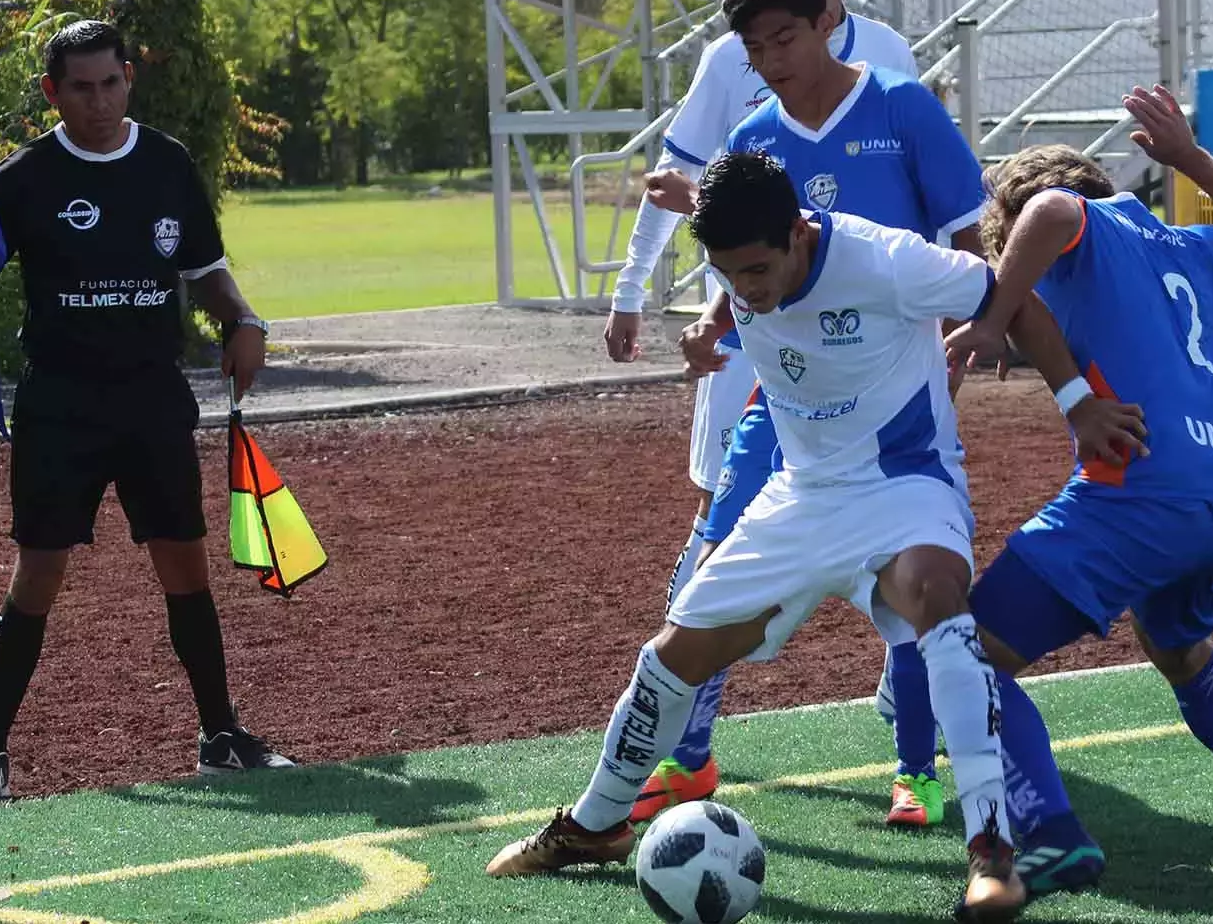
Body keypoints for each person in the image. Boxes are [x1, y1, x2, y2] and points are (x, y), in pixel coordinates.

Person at [487, 151, 1147, 923]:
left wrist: (1076, 402)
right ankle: (594, 827)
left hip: (904, 487)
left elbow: (1011, 296)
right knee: (672, 657)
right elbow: (741, 284)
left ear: (801, 232)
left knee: (942, 604)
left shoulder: (887, 260)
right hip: (798, 497)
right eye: (727, 275)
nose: (746, 288)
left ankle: (992, 852)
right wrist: (711, 323)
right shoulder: (746, 256)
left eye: (758, 269)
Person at [942, 86, 1213, 899]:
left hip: (1139, 490)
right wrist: (1188, 157)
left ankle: (1051, 834)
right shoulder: (1187, 246)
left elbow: (1047, 211)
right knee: (1181, 651)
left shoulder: (1075, 227)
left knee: (967, 655)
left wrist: (993, 312)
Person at [598, 0, 928, 826]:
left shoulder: (891, 69)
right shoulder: (732, 68)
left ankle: (918, 740)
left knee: (898, 555)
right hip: (755, 349)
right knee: (715, 549)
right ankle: (690, 757)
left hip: (869, 361)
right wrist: (638, 292)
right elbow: (695, 177)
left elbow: (925, 232)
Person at [0, 19, 294, 806]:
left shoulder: (167, 163)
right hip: (61, 402)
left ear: (128, 78)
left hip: (151, 395)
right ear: (52, 92)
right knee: (39, 571)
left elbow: (205, 269)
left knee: (184, 562)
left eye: (110, 82)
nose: (98, 101)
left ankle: (219, 735)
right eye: (80, 87)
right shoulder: (23, 178)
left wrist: (244, 321)